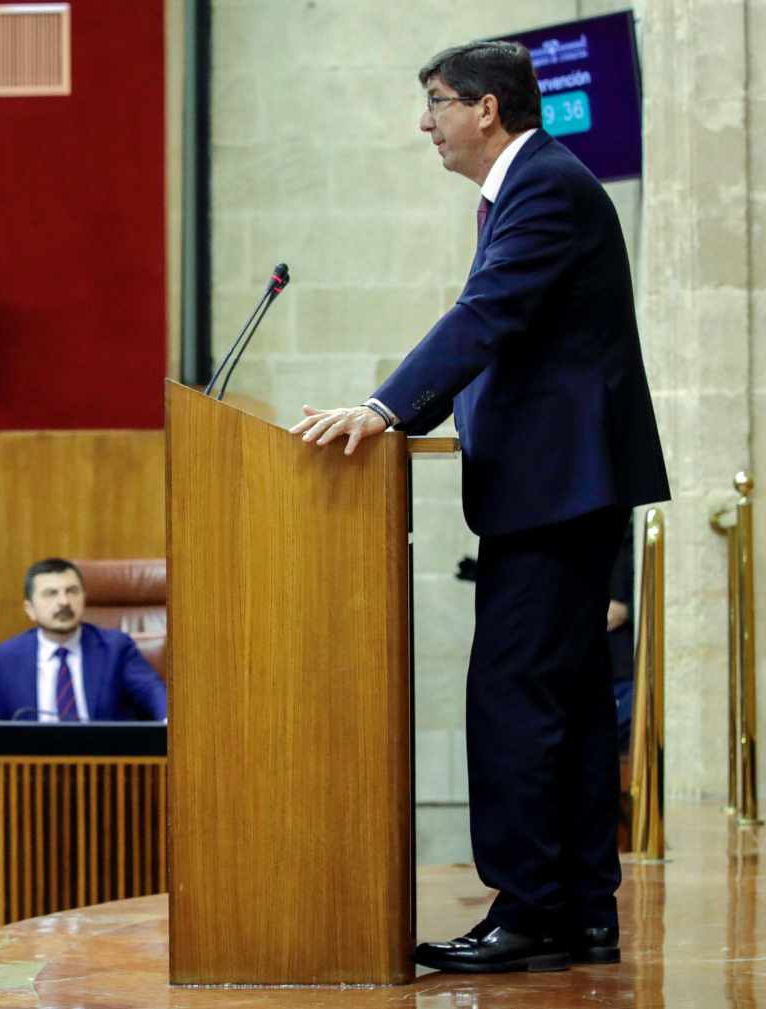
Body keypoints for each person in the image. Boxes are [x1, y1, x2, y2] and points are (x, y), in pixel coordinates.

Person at [289, 42, 669, 973]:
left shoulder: (542, 185)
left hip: (554, 490)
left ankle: (529, 907)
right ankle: (580, 911)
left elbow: (484, 314)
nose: (427, 123)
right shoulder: (538, 184)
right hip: (561, 485)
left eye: (437, 103)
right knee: (569, 703)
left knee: (513, 697)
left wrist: (383, 408)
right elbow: (507, 328)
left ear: (487, 108)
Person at [0, 558, 166, 722]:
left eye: (72, 591)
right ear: (30, 609)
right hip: (34, 756)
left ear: (84, 598)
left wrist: (169, 722)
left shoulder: (116, 648)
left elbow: (152, 691)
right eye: (51, 593)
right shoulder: (6, 659)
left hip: (105, 755)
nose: (64, 601)